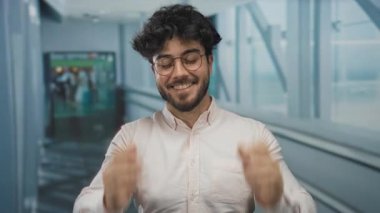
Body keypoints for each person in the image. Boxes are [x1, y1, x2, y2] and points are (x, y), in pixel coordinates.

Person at [74, 4, 316, 213]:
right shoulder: (131, 138)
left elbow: (303, 207)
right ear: (154, 71)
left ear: (209, 62)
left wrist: (277, 198)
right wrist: (108, 202)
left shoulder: (253, 135)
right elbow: (85, 206)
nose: (179, 73)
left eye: (190, 59)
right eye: (165, 63)